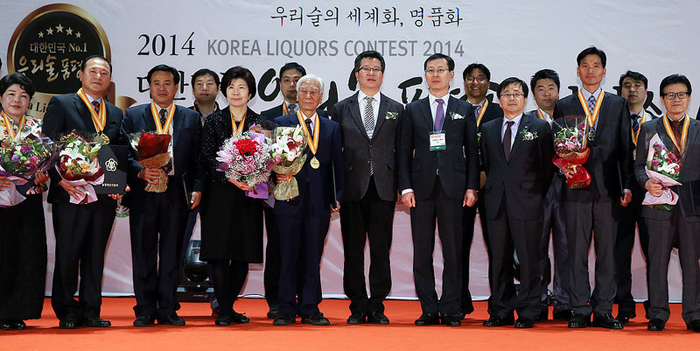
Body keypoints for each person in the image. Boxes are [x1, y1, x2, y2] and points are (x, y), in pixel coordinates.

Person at [553, 46, 633, 329]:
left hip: (609, 188)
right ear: (577, 71)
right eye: (585, 65)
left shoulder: (617, 104)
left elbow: (626, 148)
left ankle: (603, 309)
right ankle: (579, 308)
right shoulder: (565, 104)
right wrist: (567, 166)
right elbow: (560, 148)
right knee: (576, 250)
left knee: (607, 252)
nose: (590, 71)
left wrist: (626, 186)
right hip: (576, 187)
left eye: (596, 65)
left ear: (604, 71)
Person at [42, 55, 124, 329]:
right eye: (93, 71)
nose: (98, 76)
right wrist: (58, 179)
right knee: (68, 252)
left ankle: (91, 310)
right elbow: (49, 146)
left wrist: (116, 184)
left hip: (102, 196)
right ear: (80, 74)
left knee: (94, 254)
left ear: (109, 79)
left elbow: (115, 153)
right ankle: (66, 311)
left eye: (104, 72)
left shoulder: (115, 113)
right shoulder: (62, 103)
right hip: (71, 193)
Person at [398, 53, 478, 327]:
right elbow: (404, 152)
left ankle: (452, 308)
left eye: (441, 70)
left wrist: (471, 186)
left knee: (453, 252)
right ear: (425, 74)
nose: (435, 75)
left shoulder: (464, 109)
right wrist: (405, 187)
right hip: (420, 190)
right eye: (430, 70)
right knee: (422, 252)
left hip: (454, 189)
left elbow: (473, 152)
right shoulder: (413, 109)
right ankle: (429, 308)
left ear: (451, 75)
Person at [121, 64, 204, 327]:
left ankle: (168, 307)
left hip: (176, 192)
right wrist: (139, 172)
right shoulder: (133, 115)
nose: (162, 88)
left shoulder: (189, 118)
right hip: (144, 192)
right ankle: (145, 308)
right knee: (143, 250)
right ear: (149, 86)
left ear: (176, 87)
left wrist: (198, 187)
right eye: (156, 83)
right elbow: (123, 152)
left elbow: (199, 158)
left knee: (172, 251)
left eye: (167, 83)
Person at [329, 51, 403, 325]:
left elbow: (402, 151)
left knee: (381, 249)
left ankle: (377, 304)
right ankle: (358, 305)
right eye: (365, 68)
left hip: (384, 187)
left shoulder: (397, 108)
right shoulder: (340, 108)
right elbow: (334, 152)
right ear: (356, 73)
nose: (371, 73)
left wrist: (402, 186)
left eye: (377, 69)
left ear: (383, 75)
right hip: (351, 187)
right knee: (353, 249)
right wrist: (334, 189)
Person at [480, 77, 554, 328]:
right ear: (499, 99)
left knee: (528, 259)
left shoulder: (540, 127)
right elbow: (489, 166)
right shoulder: (488, 128)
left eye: (517, 94)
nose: (511, 98)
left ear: (525, 99)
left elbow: (546, 170)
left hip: (528, 202)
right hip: (496, 202)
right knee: (498, 259)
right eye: (506, 94)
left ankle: (528, 311)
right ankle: (501, 311)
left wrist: (531, 193)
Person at [272, 74, 343, 326]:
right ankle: (285, 309)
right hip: (289, 198)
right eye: (304, 91)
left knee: (313, 256)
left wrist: (336, 196)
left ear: (321, 98)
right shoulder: (282, 123)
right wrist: (274, 180)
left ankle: (311, 308)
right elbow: (272, 164)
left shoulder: (332, 127)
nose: (309, 96)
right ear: (296, 95)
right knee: (287, 255)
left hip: (319, 201)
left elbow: (337, 165)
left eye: (314, 92)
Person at [200, 66, 264, 326]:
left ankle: (228, 306)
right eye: (231, 87)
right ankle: (224, 309)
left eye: (242, 88)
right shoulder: (214, 121)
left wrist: (254, 177)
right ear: (224, 91)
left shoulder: (259, 123)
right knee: (218, 253)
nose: (236, 93)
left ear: (250, 93)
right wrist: (230, 177)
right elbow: (206, 157)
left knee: (242, 253)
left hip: (249, 196)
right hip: (219, 195)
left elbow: (267, 159)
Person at [636, 74, 700, 332]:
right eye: (670, 95)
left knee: (691, 262)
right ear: (662, 99)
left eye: (681, 95)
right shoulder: (649, 128)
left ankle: (694, 314)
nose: (676, 99)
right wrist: (645, 183)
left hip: (693, 206)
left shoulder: (698, 128)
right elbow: (639, 166)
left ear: (689, 98)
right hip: (658, 202)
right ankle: (658, 314)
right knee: (657, 260)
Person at [0, 73, 49, 330]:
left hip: (27, 199)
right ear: (1, 97)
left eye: (23, 96)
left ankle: (15, 311)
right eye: (11, 94)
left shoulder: (36, 127)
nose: (17, 100)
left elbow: (45, 164)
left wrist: (43, 174)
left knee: (25, 254)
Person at [460, 63, 503, 317]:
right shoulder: (454, 109)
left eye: (481, 78)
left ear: (489, 83)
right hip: (461, 187)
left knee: (497, 247)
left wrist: (487, 172)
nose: (475, 83)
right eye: (471, 79)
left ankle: (498, 303)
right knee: (459, 246)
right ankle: (461, 301)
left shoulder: (499, 111)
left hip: (493, 186)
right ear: (463, 82)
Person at [529, 69, 571, 321]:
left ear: (559, 91)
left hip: (566, 191)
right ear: (533, 94)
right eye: (541, 89)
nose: (546, 93)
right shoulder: (526, 122)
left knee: (566, 246)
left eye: (551, 88)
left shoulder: (572, 121)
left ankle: (564, 301)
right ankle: (540, 299)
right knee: (537, 247)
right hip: (536, 193)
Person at [615, 70, 656, 324]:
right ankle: (625, 304)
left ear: (646, 92)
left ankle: (655, 304)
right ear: (620, 91)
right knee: (620, 251)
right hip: (621, 193)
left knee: (654, 251)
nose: (632, 90)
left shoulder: (657, 123)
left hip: (652, 193)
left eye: (637, 85)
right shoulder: (612, 121)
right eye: (626, 86)